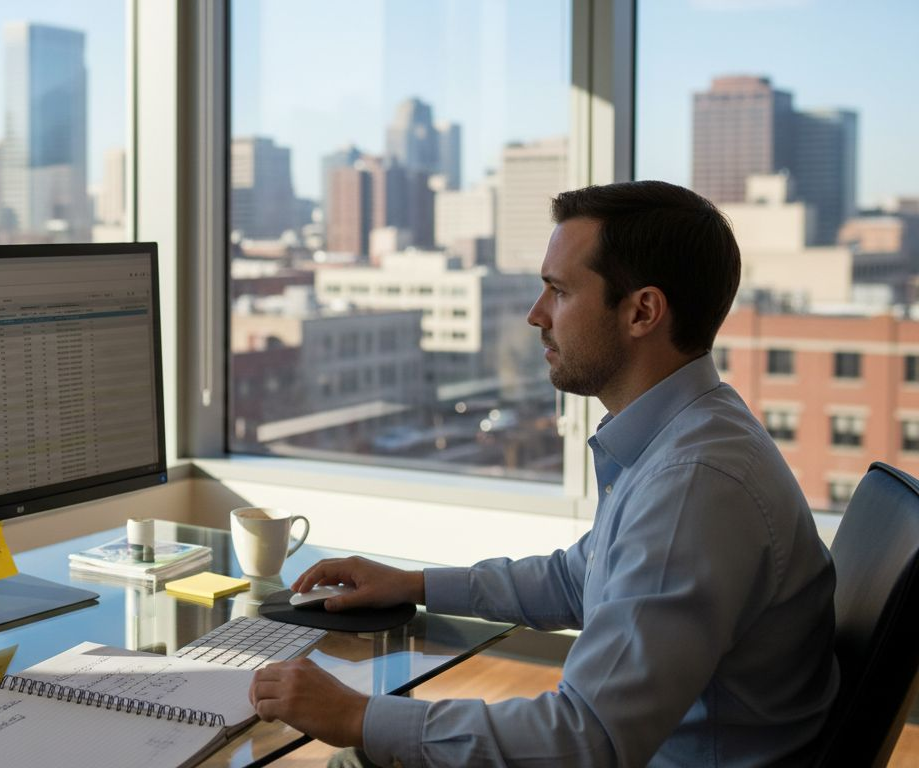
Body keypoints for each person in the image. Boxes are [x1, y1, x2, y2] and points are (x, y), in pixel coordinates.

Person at [248, 180, 839, 767]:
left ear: (642, 312)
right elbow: (580, 578)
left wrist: (355, 716)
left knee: (361, 756)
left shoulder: (692, 484)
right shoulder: (690, 432)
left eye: (558, 291)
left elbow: (588, 740)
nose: (537, 316)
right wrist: (416, 585)